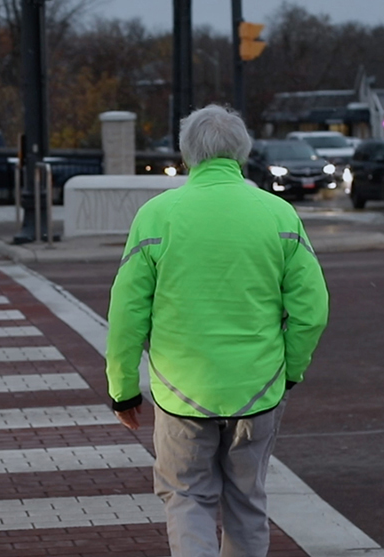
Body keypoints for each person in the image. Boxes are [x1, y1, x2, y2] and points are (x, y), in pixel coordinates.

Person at [104, 105, 329, 557]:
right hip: (259, 385)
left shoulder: (157, 216)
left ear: (187, 155)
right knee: (247, 501)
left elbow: (127, 315)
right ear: (242, 153)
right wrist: (290, 371)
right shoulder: (279, 214)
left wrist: (123, 389)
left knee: (187, 496)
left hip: (179, 388)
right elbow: (311, 311)